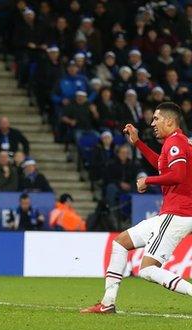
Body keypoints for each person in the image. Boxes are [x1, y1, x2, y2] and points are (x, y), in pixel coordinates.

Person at [82, 102, 192, 314]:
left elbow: (177, 175)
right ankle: (107, 303)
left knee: (148, 269)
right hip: (173, 213)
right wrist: (138, 143)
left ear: (170, 120)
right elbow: (161, 163)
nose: (152, 123)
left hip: (177, 214)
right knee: (121, 242)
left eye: (156, 119)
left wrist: (147, 181)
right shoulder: (175, 142)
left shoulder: (175, 142)